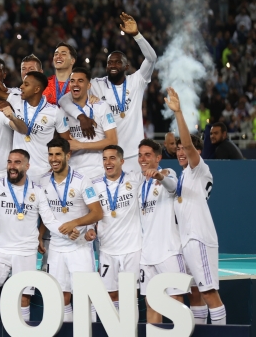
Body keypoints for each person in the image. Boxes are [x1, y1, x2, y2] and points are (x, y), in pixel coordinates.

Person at [0, 148, 81, 324]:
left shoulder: (37, 191)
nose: (12, 166)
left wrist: (67, 230)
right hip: (0, 250)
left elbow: (49, 221)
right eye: (9, 162)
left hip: (26, 252)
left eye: (17, 162)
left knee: (23, 299)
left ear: (27, 166)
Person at [60, 13, 158, 172]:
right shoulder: (96, 85)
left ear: (126, 67)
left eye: (118, 62)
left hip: (134, 155)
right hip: (108, 157)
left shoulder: (136, 81)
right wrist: (81, 117)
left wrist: (137, 35)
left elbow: (152, 58)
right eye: (110, 62)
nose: (113, 65)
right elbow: (64, 99)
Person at [165, 87, 226, 325]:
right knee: (194, 293)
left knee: (209, 293)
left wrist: (178, 112)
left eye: (185, 148)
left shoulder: (199, 168)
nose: (181, 151)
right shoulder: (184, 175)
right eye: (178, 149)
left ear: (197, 152)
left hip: (198, 238)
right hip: (186, 240)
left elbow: (189, 147)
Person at [38, 137, 104, 322]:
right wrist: (40, 235)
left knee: (85, 296)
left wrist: (74, 223)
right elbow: (46, 214)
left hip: (79, 246)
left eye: (58, 154)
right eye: (50, 154)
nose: (53, 159)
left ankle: (87, 332)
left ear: (68, 155)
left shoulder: (83, 181)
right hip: (56, 247)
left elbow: (97, 213)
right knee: (60, 297)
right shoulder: (43, 181)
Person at [89, 145, 145, 315]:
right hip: (107, 249)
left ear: (122, 161)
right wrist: (90, 228)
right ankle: (115, 327)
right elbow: (89, 211)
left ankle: (129, 328)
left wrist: (165, 172)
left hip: (132, 248)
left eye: (112, 158)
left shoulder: (134, 179)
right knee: (110, 294)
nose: (108, 162)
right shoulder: (93, 185)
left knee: (130, 294)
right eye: (105, 159)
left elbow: (160, 173)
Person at [136, 139, 187, 324]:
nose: (143, 159)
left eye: (147, 155)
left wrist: (160, 176)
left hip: (169, 252)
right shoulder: (140, 185)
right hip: (146, 255)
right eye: (140, 155)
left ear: (158, 158)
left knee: (175, 301)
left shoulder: (168, 173)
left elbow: (173, 186)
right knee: (151, 303)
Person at [59, 67, 118, 180]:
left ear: (88, 85)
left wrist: (80, 145)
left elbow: (113, 141)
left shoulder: (101, 107)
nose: (75, 84)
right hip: (72, 172)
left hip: (98, 171)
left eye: (80, 81)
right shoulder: (62, 111)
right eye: (72, 81)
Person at [6, 71, 69, 175]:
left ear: (37, 89)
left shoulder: (55, 112)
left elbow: (67, 142)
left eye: (26, 84)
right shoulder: (15, 100)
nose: (21, 87)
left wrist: (57, 166)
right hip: (18, 171)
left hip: (43, 171)